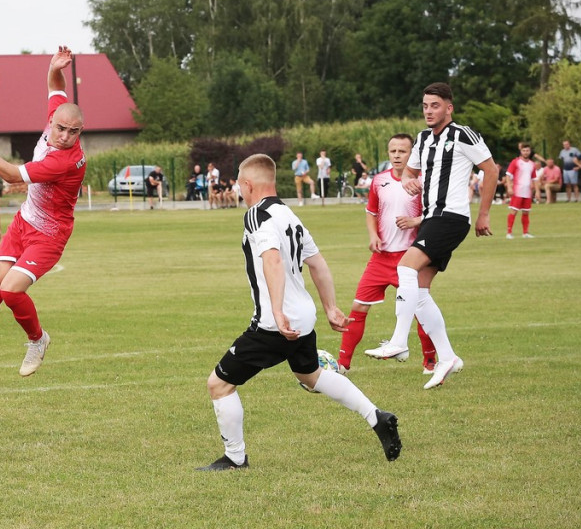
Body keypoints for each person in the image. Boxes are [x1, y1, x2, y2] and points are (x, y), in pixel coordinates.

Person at [198, 153, 401, 471]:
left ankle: (235, 458)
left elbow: (273, 260)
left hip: (276, 324)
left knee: (219, 384)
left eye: (240, 184)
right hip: (304, 317)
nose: (239, 190)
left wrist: (277, 313)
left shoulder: (256, 215)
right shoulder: (290, 215)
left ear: (248, 184)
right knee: (311, 375)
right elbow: (317, 263)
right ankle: (376, 416)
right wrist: (331, 308)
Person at [0, 45, 86, 382]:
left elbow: (12, 176)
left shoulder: (65, 161)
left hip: (50, 235)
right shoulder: (57, 115)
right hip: (23, 223)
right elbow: (55, 87)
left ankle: (38, 339)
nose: (65, 136)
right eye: (60, 129)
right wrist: (54, 66)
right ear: (53, 121)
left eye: (73, 132)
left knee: (11, 290)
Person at [364, 82, 498, 390]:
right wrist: (411, 181)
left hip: (450, 217)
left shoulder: (463, 135)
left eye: (434, 105)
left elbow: (491, 171)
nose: (428, 111)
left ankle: (399, 340)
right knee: (421, 292)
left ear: (449, 108)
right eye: (425, 105)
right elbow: (409, 173)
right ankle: (447, 357)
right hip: (431, 219)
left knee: (405, 267)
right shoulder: (423, 139)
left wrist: (484, 214)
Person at [338, 134, 437, 374]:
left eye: (402, 151)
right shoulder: (378, 181)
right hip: (380, 260)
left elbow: (438, 215)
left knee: (420, 311)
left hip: (411, 258)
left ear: (412, 154)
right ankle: (342, 365)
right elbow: (371, 212)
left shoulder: (423, 182)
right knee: (358, 307)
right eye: (393, 151)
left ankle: (431, 363)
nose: (396, 155)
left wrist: (415, 221)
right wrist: (373, 235)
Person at [505, 143, 537, 239]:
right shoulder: (515, 162)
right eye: (524, 150)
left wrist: (536, 191)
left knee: (526, 212)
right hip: (518, 191)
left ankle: (525, 233)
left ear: (530, 152)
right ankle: (509, 232)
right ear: (521, 151)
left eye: (527, 150)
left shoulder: (532, 164)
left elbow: (534, 178)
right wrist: (510, 188)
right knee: (514, 211)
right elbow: (508, 175)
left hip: (527, 192)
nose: (526, 152)